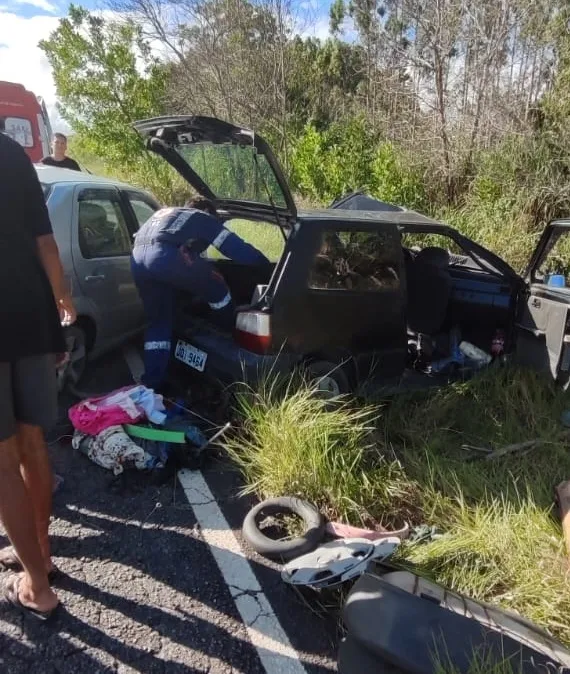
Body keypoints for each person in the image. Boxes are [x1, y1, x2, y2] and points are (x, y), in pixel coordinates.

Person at [0, 131, 76, 619]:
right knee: (32, 444)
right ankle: (40, 558)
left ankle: (37, 588)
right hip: (29, 314)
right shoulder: (9, 150)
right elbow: (45, 241)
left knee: (2, 461)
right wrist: (62, 299)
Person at [131, 196, 270, 390]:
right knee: (218, 287)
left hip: (138, 258)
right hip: (164, 254)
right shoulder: (201, 217)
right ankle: (229, 334)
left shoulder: (168, 213)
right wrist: (268, 267)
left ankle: (152, 384)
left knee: (158, 322)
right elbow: (235, 247)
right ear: (207, 211)